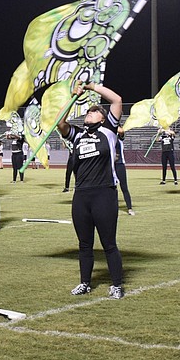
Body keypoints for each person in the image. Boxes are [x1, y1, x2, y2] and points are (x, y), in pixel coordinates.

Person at [57, 82, 125, 299]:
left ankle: (116, 285)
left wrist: (91, 87)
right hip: (82, 195)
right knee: (84, 244)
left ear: (103, 118)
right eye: (88, 111)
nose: (90, 113)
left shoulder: (109, 130)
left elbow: (117, 100)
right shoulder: (77, 135)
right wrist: (73, 96)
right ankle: (85, 283)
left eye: (95, 112)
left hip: (104, 193)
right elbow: (60, 122)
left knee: (108, 244)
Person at [115, 127, 134, 215]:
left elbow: (121, 131)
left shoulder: (119, 137)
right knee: (110, 188)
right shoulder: (106, 137)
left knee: (124, 187)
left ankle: (129, 208)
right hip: (109, 165)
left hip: (119, 164)